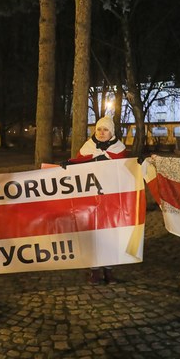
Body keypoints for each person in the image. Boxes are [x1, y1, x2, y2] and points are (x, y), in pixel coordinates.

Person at [60, 116, 127, 285]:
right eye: (99, 129)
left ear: (111, 132)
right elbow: (78, 165)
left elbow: (126, 170)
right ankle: (94, 271)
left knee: (110, 234)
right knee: (93, 234)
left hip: (111, 198)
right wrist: (67, 166)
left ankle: (109, 270)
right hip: (91, 199)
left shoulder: (120, 149)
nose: (102, 133)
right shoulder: (87, 147)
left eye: (105, 129)